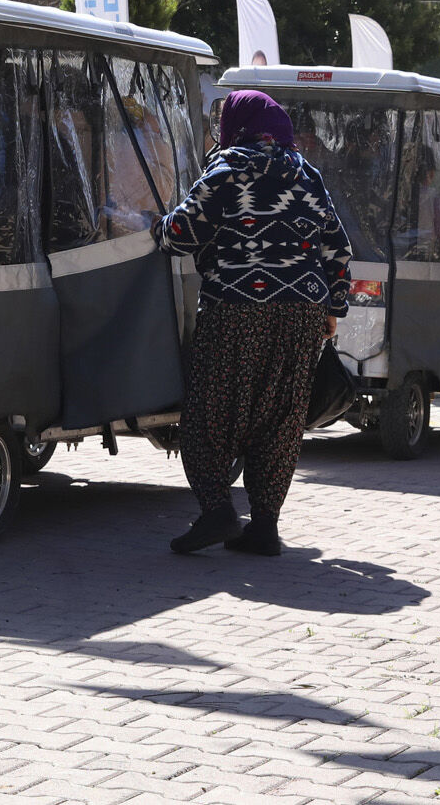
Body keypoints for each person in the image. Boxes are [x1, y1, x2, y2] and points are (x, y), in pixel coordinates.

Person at [158, 90, 352, 555]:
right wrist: (333, 308)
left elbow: (183, 232)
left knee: (210, 411)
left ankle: (217, 510)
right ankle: (264, 525)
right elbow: (337, 246)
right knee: (280, 417)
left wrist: (158, 227)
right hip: (302, 310)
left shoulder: (227, 168)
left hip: (237, 307)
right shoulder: (307, 174)